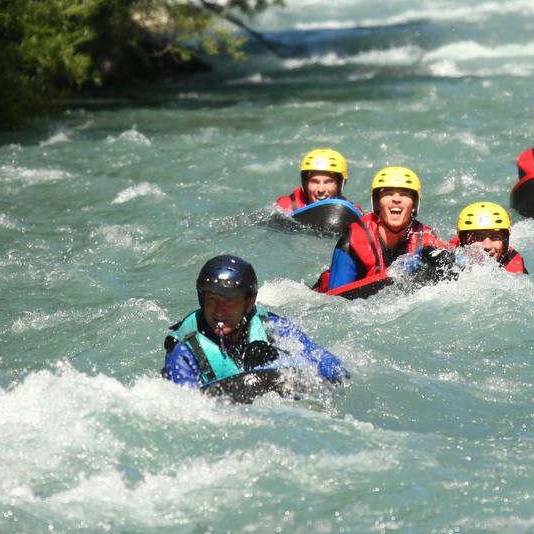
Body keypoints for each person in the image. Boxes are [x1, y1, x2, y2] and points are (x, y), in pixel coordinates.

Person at [164, 255, 348, 395]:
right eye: (212, 300)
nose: (219, 311)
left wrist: (283, 365)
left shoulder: (272, 327)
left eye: (230, 301)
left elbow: (334, 369)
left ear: (249, 302)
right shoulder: (183, 349)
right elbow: (185, 407)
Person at [314, 166, 445, 293]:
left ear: (414, 206)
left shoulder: (425, 238)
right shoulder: (352, 243)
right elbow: (334, 301)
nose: (396, 199)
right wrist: (396, 274)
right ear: (377, 204)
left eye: (404, 194)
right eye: (388, 194)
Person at [449, 202, 528, 274]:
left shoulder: (514, 271)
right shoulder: (448, 260)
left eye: (495, 237)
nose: (487, 246)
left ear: (505, 241)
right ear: (464, 240)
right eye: (478, 237)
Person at [275, 148, 358, 213]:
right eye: (314, 182)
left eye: (328, 182)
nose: (321, 189)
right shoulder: (286, 207)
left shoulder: (351, 211)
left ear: (340, 184)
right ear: (305, 183)